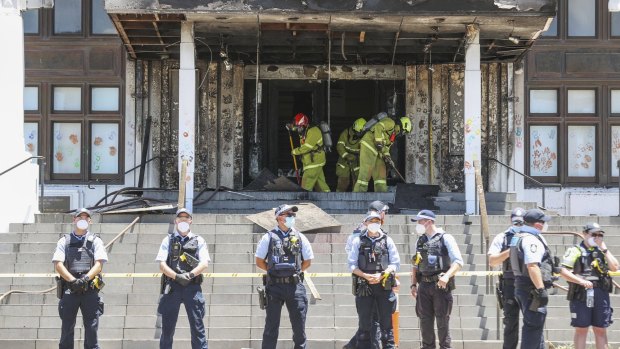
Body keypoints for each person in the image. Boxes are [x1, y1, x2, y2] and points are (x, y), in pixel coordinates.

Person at [255, 204, 314, 349]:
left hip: (295, 287)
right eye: (288, 215)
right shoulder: (268, 237)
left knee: (299, 327)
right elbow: (259, 261)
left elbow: (308, 261)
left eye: (293, 215)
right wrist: (273, 271)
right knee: (271, 327)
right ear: (279, 218)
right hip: (274, 286)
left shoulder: (300, 236)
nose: (292, 217)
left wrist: (296, 272)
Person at [52, 208, 108, 349]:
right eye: (79, 217)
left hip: (89, 290)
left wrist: (85, 279)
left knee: (91, 328)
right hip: (70, 289)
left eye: (86, 217)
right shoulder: (64, 241)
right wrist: (72, 280)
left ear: (90, 221)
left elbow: (99, 264)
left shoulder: (96, 241)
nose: (82, 219)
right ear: (74, 220)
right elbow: (58, 264)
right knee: (67, 327)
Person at [156, 208, 210, 349]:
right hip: (173, 286)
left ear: (190, 220)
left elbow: (204, 263)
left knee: (198, 328)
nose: (183, 220)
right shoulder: (168, 239)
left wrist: (190, 275)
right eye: (180, 218)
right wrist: (176, 276)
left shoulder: (199, 240)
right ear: (176, 221)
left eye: (186, 218)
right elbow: (162, 264)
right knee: (167, 329)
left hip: (192, 287)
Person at [560, 223, 619, 349]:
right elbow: (563, 271)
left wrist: (605, 249)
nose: (597, 237)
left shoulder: (601, 251)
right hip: (581, 293)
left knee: (601, 329)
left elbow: (614, 267)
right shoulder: (575, 250)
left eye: (600, 235)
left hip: (600, 292)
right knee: (581, 329)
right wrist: (580, 281)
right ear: (585, 234)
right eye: (594, 234)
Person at [410, 209, 463, 349]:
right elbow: (415, 264)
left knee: (442, 322)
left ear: (429, 221)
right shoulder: (420, 240)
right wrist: (413, 284)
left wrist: (446, 276)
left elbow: (458, 262)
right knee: (425, 322)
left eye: (420, 221)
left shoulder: (445, 237)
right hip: (424, 286)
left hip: (440, 285)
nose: (418, 224)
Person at [348, 211, 400, 349]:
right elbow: (352, 265)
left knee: (386, 325)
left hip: (383, 285)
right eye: (371, 221)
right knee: (364, 324)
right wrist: (365, 275)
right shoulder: (357, 240)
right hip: (364, 286)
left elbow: (395, 263)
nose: (374, 224)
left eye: (377, 221)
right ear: (365, 223)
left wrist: (382, 275)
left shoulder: (388, 240)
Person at [343, 200, 390, 349]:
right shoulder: (361, 235)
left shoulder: (368, 231)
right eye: (385, 212)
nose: (385, 215)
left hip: (374, 280)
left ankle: (351, 346)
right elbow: (353, 258)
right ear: (379, 212)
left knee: (370, 320)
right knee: (372, 319)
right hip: (365, 281)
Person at [509, 208, 556, 349]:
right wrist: (541, 289)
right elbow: (532, 266)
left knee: (536, 327)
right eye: (543, 222)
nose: (545, 225)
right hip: (531, 289)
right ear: (537, 224)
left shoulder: (520, 236)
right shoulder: (531, 240)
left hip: (522, 286)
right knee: (533, 327)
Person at [488, 207, 525, 349]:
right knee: (510, 323)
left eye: (521, 222)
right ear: (511, 221)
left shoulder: (531, 237)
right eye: (516, 222)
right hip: (510, 284)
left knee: (531, 321)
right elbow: (492, 261)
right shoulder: (502, 237)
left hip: (528, 283)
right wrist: (510, 251)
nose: (518, 225)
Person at [353, 116, 411, 192]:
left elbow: (386, 148)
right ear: (403, 126)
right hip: (369, 145)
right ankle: (358, 196)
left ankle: (382, 196)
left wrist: (388, 158)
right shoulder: (391, 123)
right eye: (404, 132)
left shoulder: (393, 137)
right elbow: (378, 126)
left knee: (381, 175)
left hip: (379, 152)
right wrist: (379, 141)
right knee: (365, 173)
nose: (403, 134)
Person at [289, 112, 330, 192]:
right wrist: (290, 127)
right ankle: (330, 198)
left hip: (313, 163)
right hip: (313, 163)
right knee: (321, 185)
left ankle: (303, 201)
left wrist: (295, 151)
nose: (297, 130)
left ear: (303, 125)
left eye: (298, 127)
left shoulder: (313, 132)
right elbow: (295, 128)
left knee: (305, 186)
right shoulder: (304, 130)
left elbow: (307, 147)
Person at [336, 118, 365, 192]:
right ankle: (339, 199)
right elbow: (339, 146)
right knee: (343, 182)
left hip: (357, 160)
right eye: (356, 132)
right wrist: (346, 155)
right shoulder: (345, 133)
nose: (357, 135)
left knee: (357, 183)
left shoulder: (365, 136)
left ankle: (356, 199)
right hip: (344, 161)